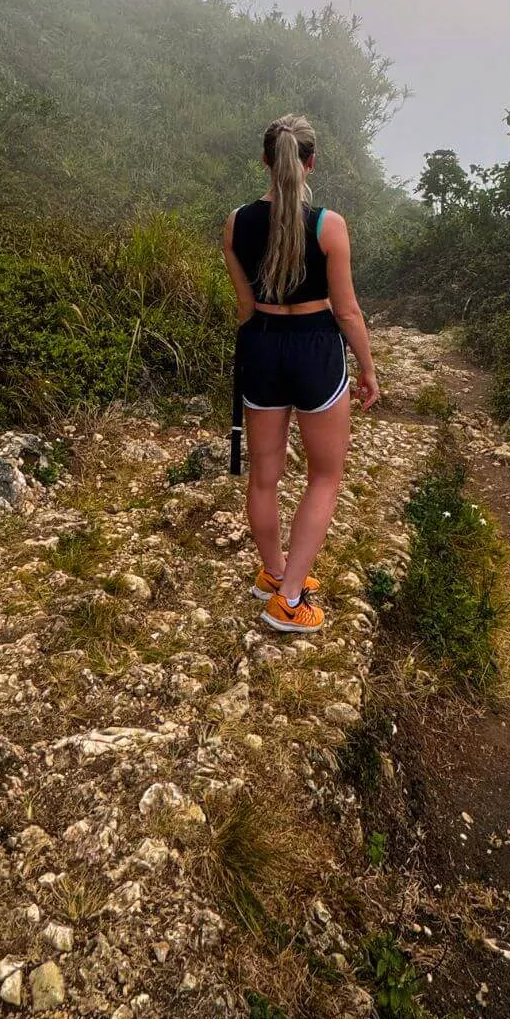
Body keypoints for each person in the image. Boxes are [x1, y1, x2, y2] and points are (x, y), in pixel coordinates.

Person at [223, 114, 380, 634]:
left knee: (264, 475)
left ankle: (273, 575)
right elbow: (348, 310)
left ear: (266, 160)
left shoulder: (236, 223)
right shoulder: (328, 225)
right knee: (325, 475)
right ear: (309, 162)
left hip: (262, 347)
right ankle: (291, 599)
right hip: (315, 349)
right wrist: (368, 368)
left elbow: (245, 308)